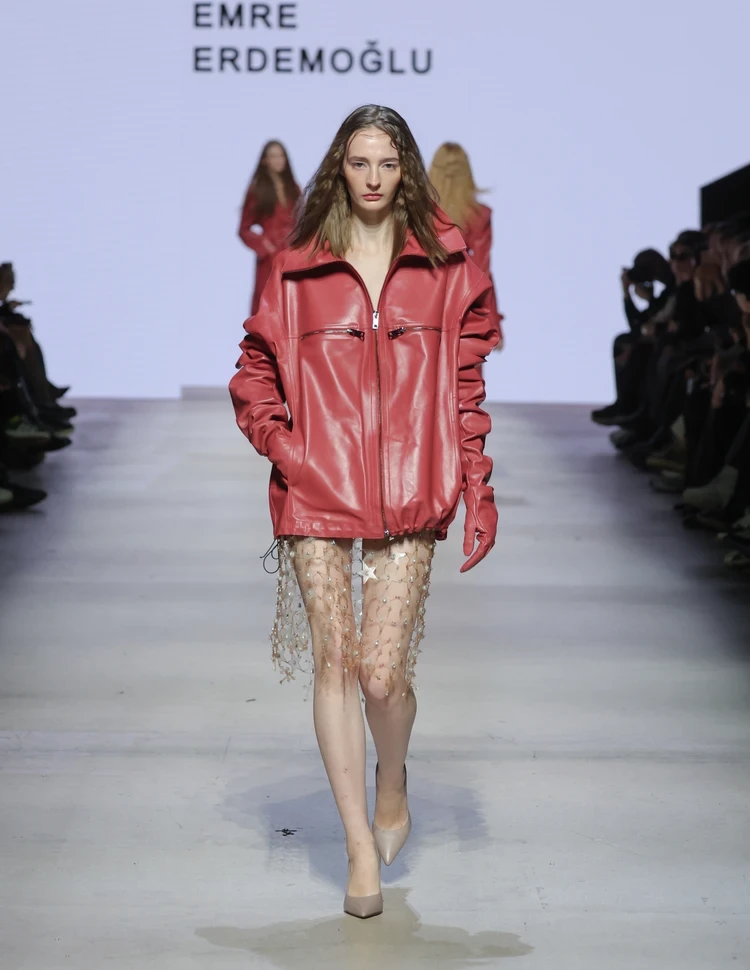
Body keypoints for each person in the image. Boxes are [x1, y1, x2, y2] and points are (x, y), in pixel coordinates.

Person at [229, 105, 500, 920]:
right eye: (359, 163)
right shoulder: (296, 268)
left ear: (405, 167)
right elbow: (252, 372)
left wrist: (477, 485)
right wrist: (289, 451)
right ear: (338, 169)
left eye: (387, 163)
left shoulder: (447, 265)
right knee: (335, 664)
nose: (374, 178)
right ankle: (355, 845)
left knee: (383, 677)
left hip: (413, 486)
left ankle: (393, 777)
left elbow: (466, 387)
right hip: (317, 488)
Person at [428, 142, 503, 351]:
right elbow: (481, 272)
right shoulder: (478, 217)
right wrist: (492, 324)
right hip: (464, 316)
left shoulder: (415, 214)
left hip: (419, 313)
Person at [238, 141, 301, 314]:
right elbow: (243, 228)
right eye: (273, 156)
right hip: (270, 257)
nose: (278, 160)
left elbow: (303, 221)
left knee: (293, 304)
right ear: (265, 160)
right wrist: (264, 246)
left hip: (292, 253)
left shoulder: (293, 188)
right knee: (267, 305)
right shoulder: (258, 190)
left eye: (281, 156)